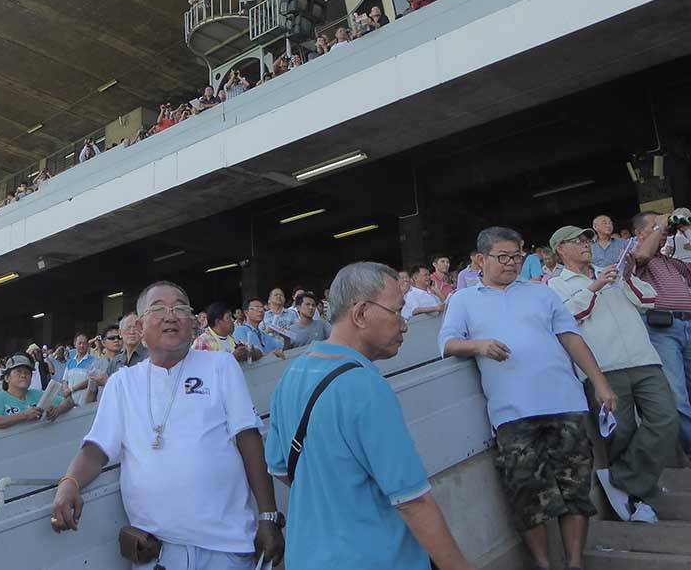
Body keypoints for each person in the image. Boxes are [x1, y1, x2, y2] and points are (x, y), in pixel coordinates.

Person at [50, 281, 283, 568]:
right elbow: (96, 448)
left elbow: (249, 440)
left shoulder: (221, 366)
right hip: (157, 554)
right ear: (140, 324)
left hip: (227, 548)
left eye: (179, 308)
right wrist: (69, 483)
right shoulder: (123, 383)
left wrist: (268, 515)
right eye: (158, 309)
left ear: (192, 321)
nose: (170, 315)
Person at [267, 263, 476, 570]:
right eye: (396, 311)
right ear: (361, 313)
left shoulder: (293, 374)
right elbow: (413, 502)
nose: (403, 324)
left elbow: (279, 466)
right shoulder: (364, 385)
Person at [439, 226, 617, 570]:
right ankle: (542, 564)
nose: (511, 263)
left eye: (517, 256)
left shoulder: (542, 294)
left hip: (565, 402)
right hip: (512, 413)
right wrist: (479, 345)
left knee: (574, 488)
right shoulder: (463, 300)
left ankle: (575, 563)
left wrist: (600, 384)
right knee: (525, 493)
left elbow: (571, 339)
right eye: (502, 256)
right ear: (480, 260)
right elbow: (447, 343)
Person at [548, 224, 676, 524]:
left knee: (665, 419)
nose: (584, 245)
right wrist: (594, 287)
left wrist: (627, 277)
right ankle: (640, 499)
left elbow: (647, 300)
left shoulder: (610, 270)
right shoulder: (555, 284)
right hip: (603, 368)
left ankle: (624, 481)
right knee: (622, 432)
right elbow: (568, 318)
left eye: (586, 239)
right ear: (560, 249)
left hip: (643, 358)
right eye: (576, 241)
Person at [630, 211, 691, 455]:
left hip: (688, 325)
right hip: (662, 329)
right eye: (656, 227)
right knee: (677, 397)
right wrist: (660, 226)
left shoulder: (670, 261)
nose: (663, 231)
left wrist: (686, 228)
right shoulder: (635, 257)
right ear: (639, 233)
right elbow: (642, 256)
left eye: (664, 228)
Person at [0, 354, 76, 430]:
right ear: (6, 378)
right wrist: (23, 415)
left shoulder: (36, 394)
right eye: (18, 371)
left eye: (27, 372)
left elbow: (69, 401)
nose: (23, 375)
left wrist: (57, 410)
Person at [63, 334, 102, 405]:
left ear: (87, 345)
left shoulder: (94, 361)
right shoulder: (70, 362)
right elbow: (65, 380)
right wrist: (66, 391)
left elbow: (91, 381)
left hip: (84, 404)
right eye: (79, 343)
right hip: (69, 404)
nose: (82, 345)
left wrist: (72, 389)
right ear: (75, 344)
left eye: (84, 343)